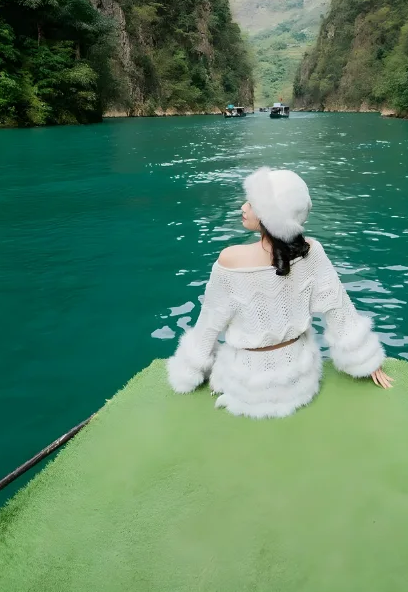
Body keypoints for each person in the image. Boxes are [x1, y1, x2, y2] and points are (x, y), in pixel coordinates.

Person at [166, 167, 394, 418]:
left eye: (252, 203)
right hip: (299, 381)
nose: (243, 207)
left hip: (244, 385)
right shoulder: (311, 252)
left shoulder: (230, 259)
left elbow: (209, 324)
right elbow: (338, 309)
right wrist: (366, 360)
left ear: (270, 215)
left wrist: (188, 373)